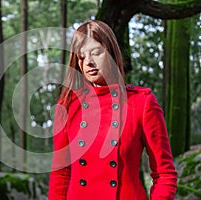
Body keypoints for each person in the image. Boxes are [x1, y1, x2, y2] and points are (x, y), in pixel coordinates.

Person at [48, 20, 177, 200]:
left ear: (111, 53)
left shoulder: (141, 103)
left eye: (96, 53)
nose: (89, 62)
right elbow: (60, 176)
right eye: (82, 56)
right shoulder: (68, 106)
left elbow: (164, 174)